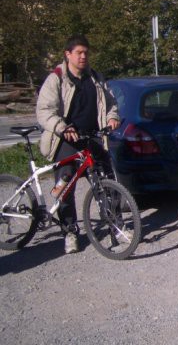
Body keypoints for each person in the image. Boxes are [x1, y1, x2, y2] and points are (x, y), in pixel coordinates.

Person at [36, 34, 121, 254]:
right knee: (65, 188)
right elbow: (44, 111)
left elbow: (111, 104)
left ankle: (116, 225)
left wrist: (112, 117)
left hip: (92, 137)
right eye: (79, 53)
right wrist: (62, 126)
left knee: (108, 182)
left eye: (86, 52)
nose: (83, 57)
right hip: (67, 139)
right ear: (68, 54)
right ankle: (70, 232)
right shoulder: (56, 78)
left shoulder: (95, 77)